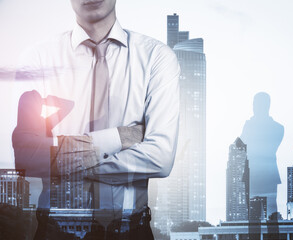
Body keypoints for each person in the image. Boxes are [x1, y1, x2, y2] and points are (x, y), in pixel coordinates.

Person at [12, 0, 180, 239]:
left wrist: (63, 160)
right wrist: (118, 138)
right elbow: (27, 157)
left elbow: (160, 159)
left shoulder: (156, 58)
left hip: (131, 230)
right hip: (57, 231)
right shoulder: (38, 58)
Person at [240, 92, 284, 240]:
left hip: (256, 174)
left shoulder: (252, 126)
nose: (253, 108)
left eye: (255, 104)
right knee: (265, 216)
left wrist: (252, 125)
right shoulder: (277, 127)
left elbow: (240, 144)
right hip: (265, 174)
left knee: (263, 215)